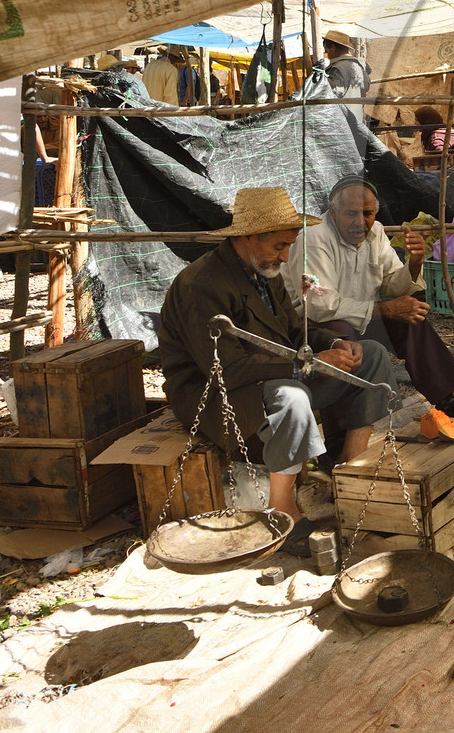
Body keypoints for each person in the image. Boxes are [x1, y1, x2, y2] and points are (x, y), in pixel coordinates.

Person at [158, 187, 397, 554]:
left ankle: (350, 473)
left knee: (373, 356)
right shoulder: (201, 285)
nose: (286, 257)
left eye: (290, 246)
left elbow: (292, 330)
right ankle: (282, 510)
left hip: (275, 373)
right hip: (218, 393)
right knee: (292, 396)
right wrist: (308, 362)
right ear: (247, 236)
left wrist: (332, 344)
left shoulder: (264, 271)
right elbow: (227, 370)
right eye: (279, 247)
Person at [286, 177, 454, 423]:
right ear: (333, 212)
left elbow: (393, 284)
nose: (360, 222)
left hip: (361, 317)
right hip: (313, 329)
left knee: (411, 319)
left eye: (367, 213)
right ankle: (340, 431)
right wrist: (386, 309)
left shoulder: (375, 233)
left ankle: (447, 401)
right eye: (351, 214)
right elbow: (320, 305)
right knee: (340, 331)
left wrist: (414, 264)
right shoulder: (314, 240)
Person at [322, 29, 371, 98]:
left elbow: (331, 93)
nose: (327, 55)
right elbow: (366, 86)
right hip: (357, 107)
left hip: (341, 108)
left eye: (326, 51)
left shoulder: (337, 68)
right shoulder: (359, 66)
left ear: (333, 48)